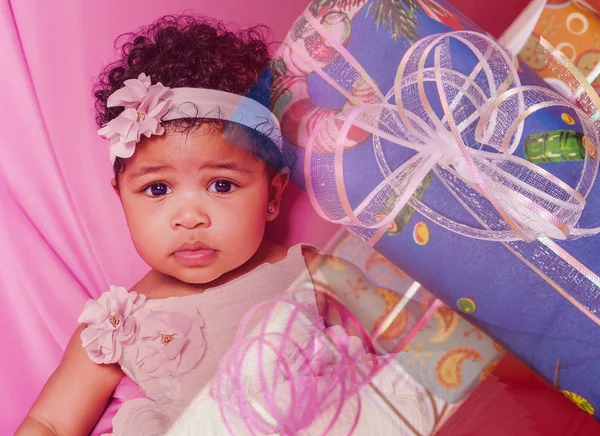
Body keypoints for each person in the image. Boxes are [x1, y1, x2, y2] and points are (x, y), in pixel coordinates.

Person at [16, 15, 409, 436]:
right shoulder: (116, 323)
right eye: (156, 189)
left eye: (221, 185)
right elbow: (50, 422)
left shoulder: (311, 275)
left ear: (273, 195)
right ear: (121, 198)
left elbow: (415, 343)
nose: (190, 217)